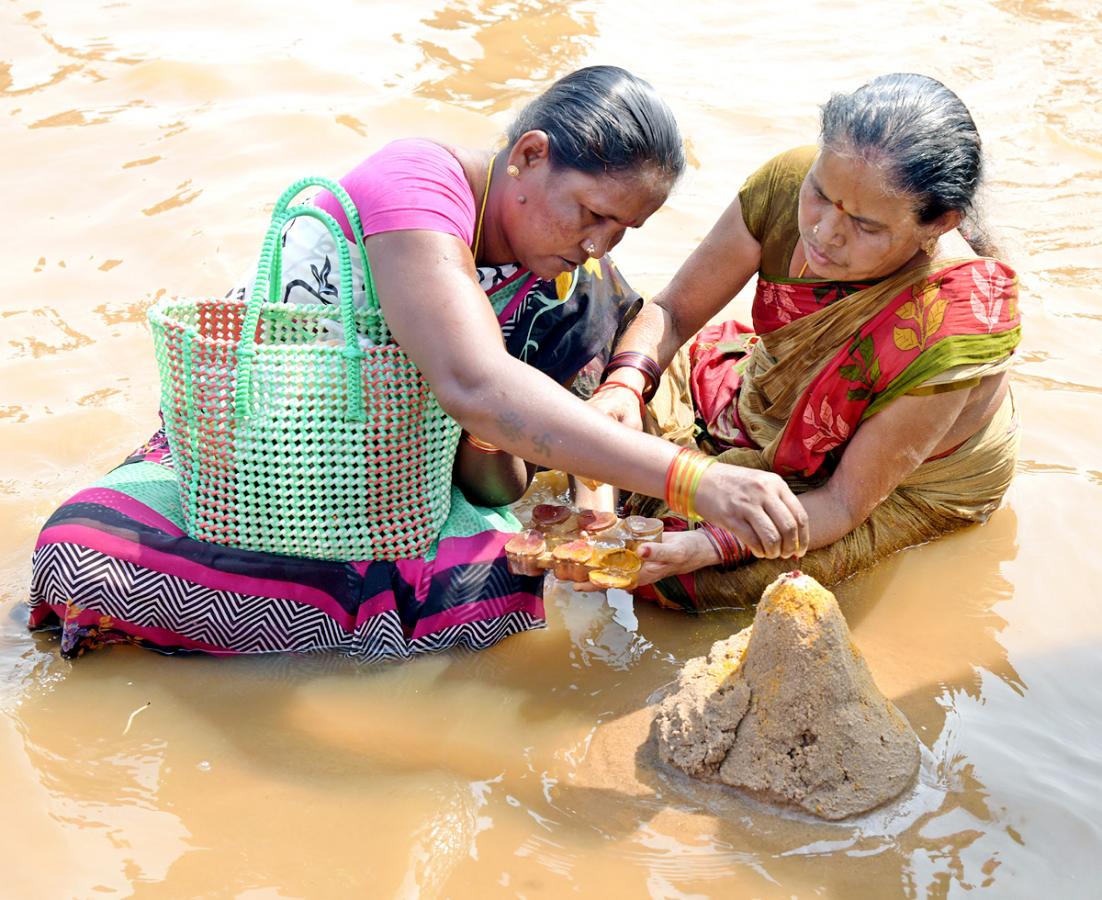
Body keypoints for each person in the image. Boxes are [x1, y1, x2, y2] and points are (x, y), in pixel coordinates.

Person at [28, 66, 806, 660]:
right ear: (529, 156)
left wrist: (510, 443)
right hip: (263, 458)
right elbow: (473, 383)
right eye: (593, 213)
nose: (598, 243)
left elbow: (491, 475)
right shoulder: (418, 185)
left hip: (385, 490)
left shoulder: (572, 291)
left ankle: (267, 618)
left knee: (515, 579)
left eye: (623, 229)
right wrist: (693, 479)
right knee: (82, 550)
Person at [588, 73, 1021, 610]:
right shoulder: (789, 182)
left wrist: (708, 544)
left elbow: (841, 504)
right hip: (775, 396)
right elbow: (674, 313)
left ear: (939, 224)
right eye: (819, 194)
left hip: (895, 481)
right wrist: (624, 389)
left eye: (865, 225)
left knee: (674, 581)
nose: (824, 232)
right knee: (606, 375)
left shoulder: (950, 325)